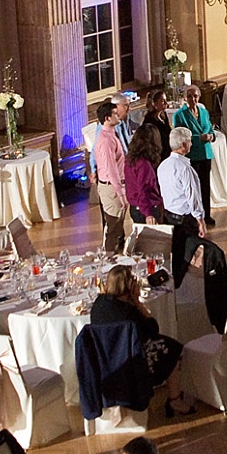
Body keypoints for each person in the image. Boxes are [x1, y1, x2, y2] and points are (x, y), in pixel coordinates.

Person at [90, 264, 194, 417]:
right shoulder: (129, 314)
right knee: (174, 349)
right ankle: (174, 399)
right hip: (131, 364)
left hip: (106, 362)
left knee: (165, 344)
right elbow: (152, 330)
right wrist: (138, 303)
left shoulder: (98, 304)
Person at [171, 87, 219, 225]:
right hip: (192, 155)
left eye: (196, 96)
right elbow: (180, 134)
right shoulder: (179, 115)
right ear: (185, 98)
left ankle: (206, 215)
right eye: (190, 96)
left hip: (205, 153)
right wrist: (200, 138)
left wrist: (212, 136)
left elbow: (210, 128)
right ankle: (194, 217)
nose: (193, 99)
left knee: (205, 185)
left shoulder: (203, 111)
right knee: (193, 188)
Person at [158, 128, 210, 248]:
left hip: (169, 216)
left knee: (176, 251)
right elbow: (193, 197)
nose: (191, 144)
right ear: (183, 145)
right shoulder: (185, 169)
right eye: (190, 141)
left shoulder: (163, 165)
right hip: (185, 220)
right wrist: (200, 221)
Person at [93, 98, 131, 252]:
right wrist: (121, 193)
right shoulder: (105, 140)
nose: (118, 116)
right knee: (113, 229)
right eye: (115, 114)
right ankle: (107, 259)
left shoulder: (111, 134)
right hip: (112, 188)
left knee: (118, 228)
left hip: (118, 185)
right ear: (107, 118)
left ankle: (115, 258)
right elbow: (111, 169)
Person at [125, 124, 168, 227]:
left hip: (136, 207)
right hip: (147, 208)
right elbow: (143, 190)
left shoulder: (130, 160)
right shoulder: (143, 165)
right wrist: (148, 214)